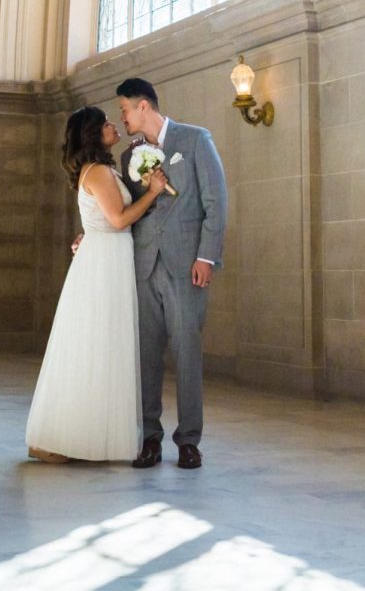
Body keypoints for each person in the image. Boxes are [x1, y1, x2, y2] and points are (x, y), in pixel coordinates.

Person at [25, 105, 168, 463]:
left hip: (106, 258)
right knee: (98, 347)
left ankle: (83, 435)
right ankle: (78, 438)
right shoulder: (99, 171)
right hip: (105, 263)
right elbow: (118, 220)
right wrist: (153, 192)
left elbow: (102, 220)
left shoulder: (99, 170)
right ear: (92, 133)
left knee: (99, 348)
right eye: (105, 123)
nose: (112, 125)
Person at [116, 76, 228, 470]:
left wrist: (206, 257)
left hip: (186, 266)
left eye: (125, 110)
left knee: (186, 353)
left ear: (143, 105)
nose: (123, 118)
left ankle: (189, 441)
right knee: (146, 356)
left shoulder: (196, 140)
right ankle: (149, 438)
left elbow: (215, 202)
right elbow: (125, 209)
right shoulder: (129, 156)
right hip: (144, 265)